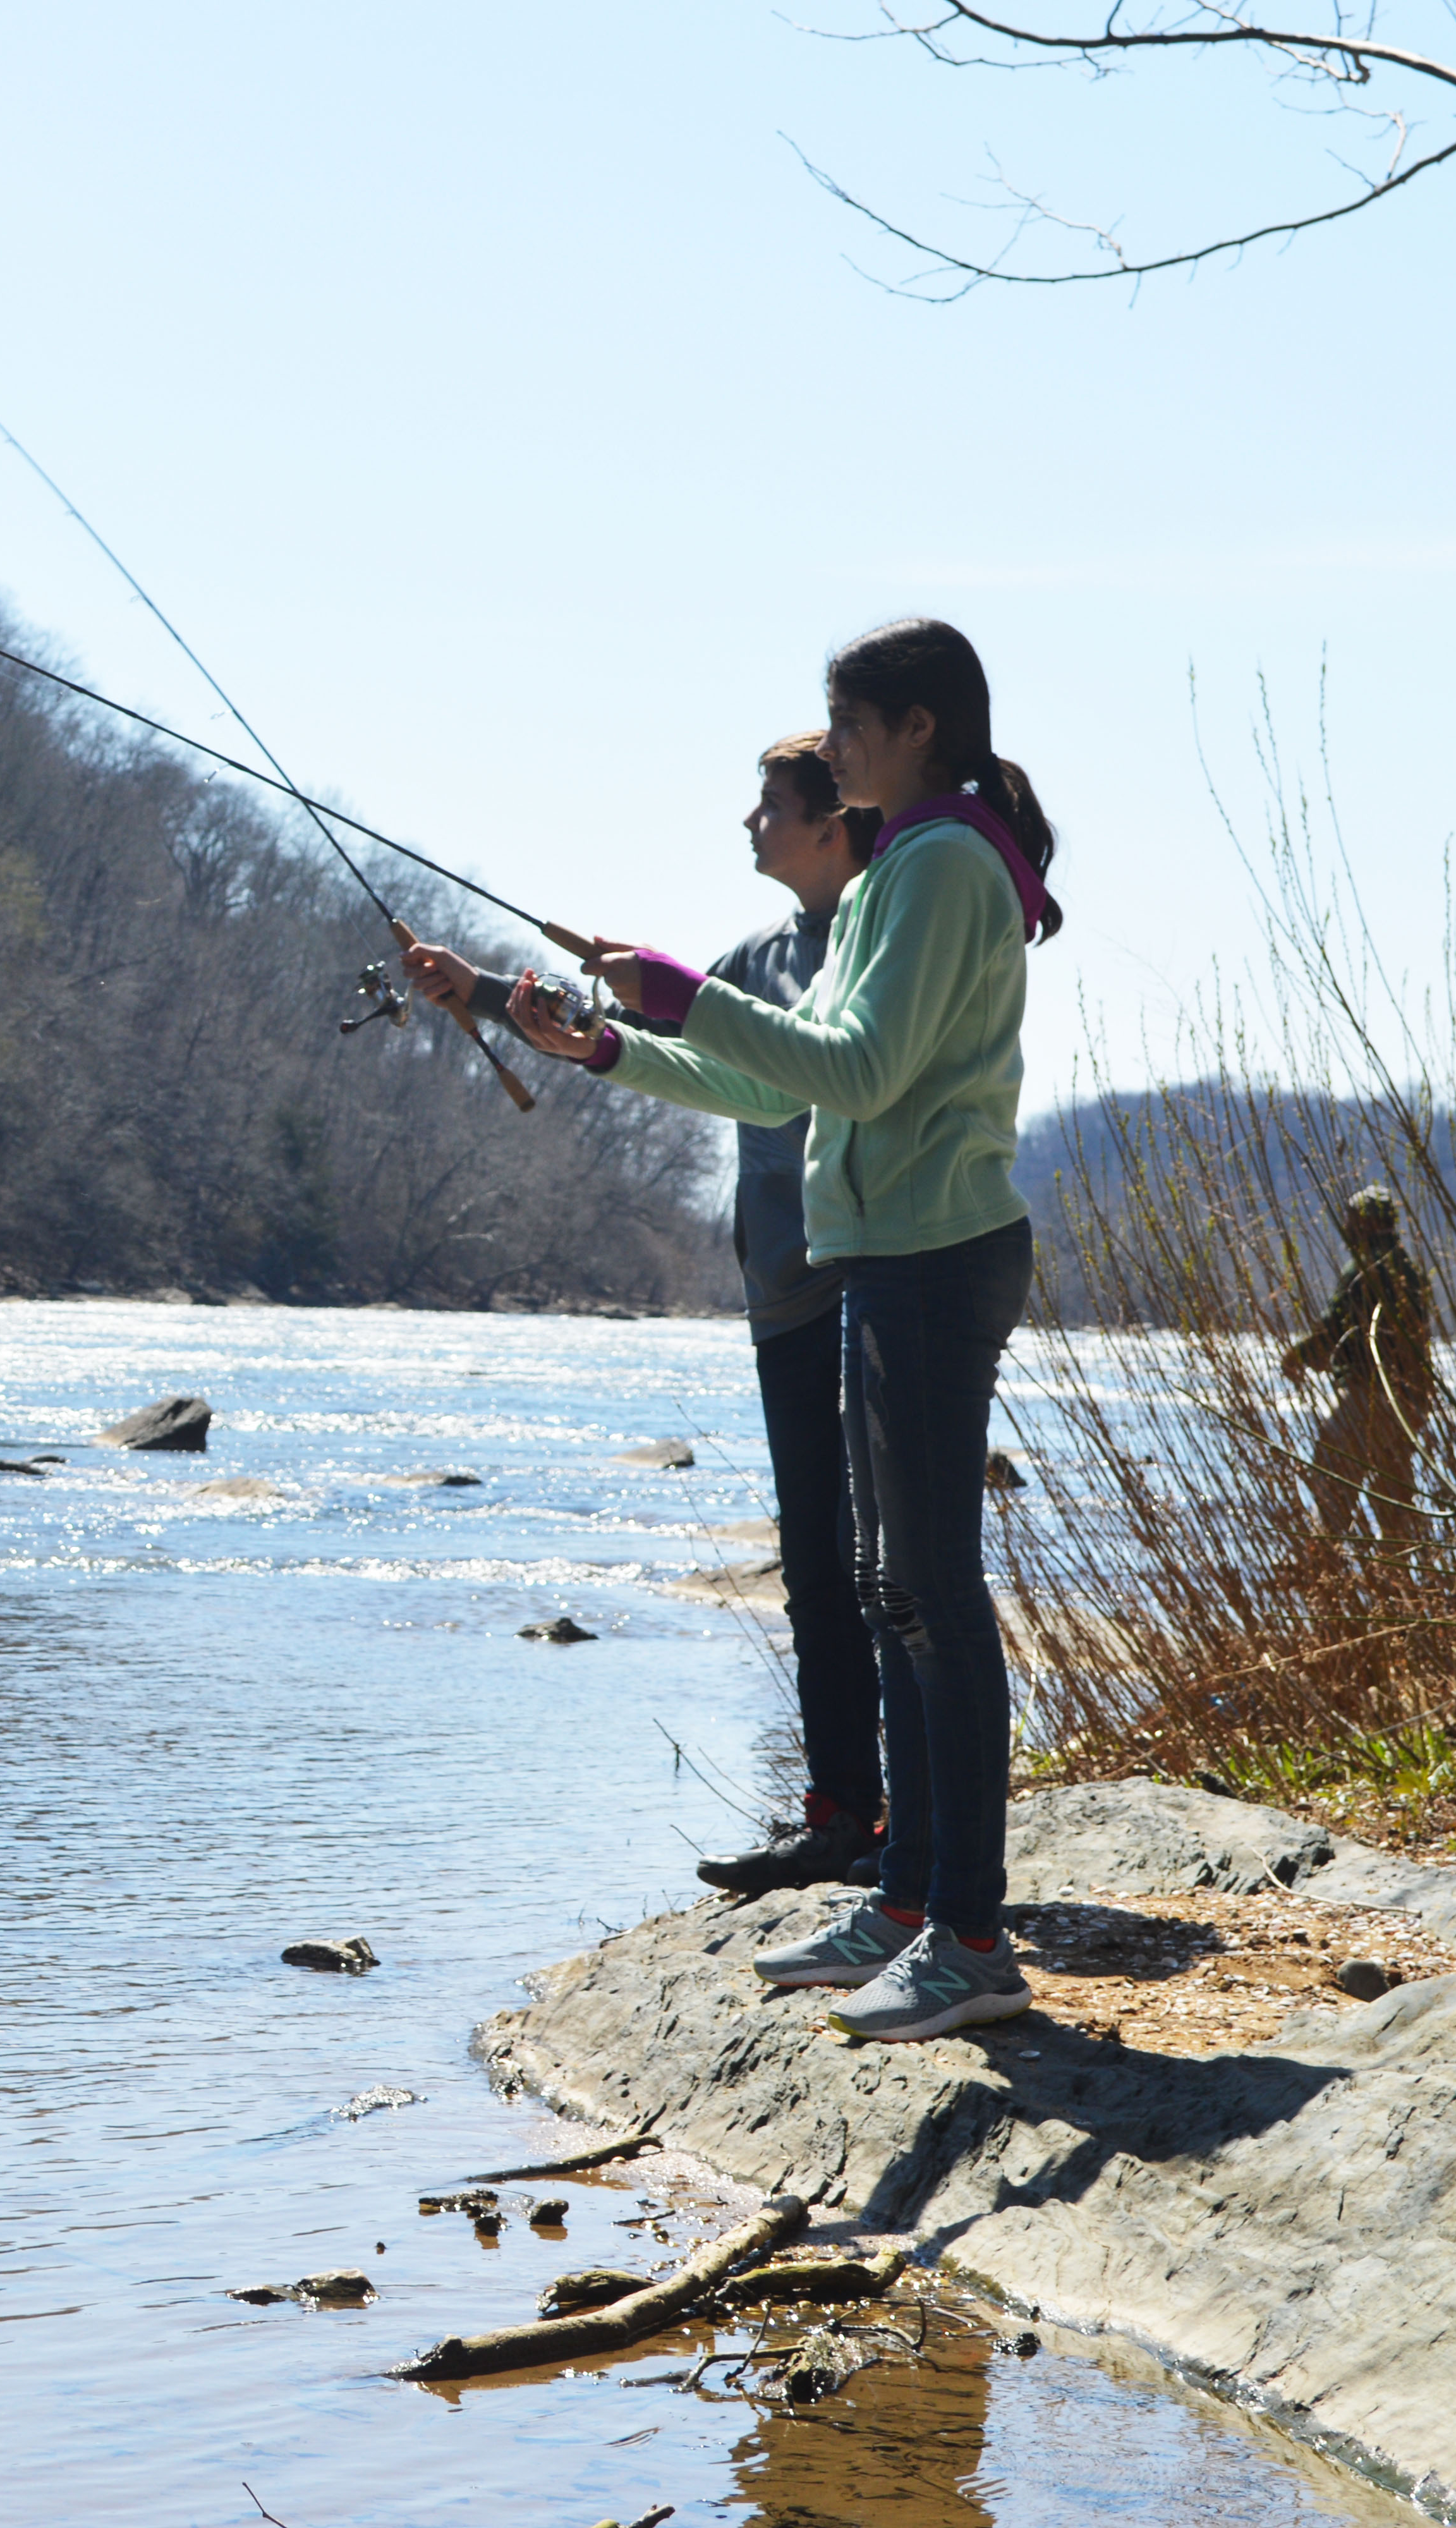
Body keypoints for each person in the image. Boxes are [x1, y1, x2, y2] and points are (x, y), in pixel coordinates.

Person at [504, 619, 1061, 2045]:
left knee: (930, 1592)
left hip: (933, 1258)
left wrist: (688, 993)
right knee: (889, 1586)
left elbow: (856, 1073)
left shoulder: (936, 866)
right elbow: (776, 1091)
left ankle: (971, 1933)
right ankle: (907, 1897)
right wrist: (618, 1042)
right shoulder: (899, 866)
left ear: (914, 727)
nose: (832, 750)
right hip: (887, 1257)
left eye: (847, 728)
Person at [403, 738, 885, 1893]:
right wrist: (476, 994)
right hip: (782, 1285)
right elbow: (658, 1052)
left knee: (891, 1567)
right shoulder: (752, 956)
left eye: (769, 806)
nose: (749, 823)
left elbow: (774, 1073)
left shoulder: (881, 940)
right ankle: (839, 1819)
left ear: (834, 821)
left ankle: (917, 1827)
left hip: (876, 1273)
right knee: (813, 1566)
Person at [1284, 1184, 1434, 1549]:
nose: (1347, 1228)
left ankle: (1330, 1560)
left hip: (1368, 1397)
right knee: (1394, 1492)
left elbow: (1335, 1327)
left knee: (1331, 1474)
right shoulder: (1408, 1270)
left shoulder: (1364, 1269)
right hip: (1409, 1401)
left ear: (1362, 1225)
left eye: (1351, 1221)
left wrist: (1297, 1358)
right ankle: (1400, 1573)